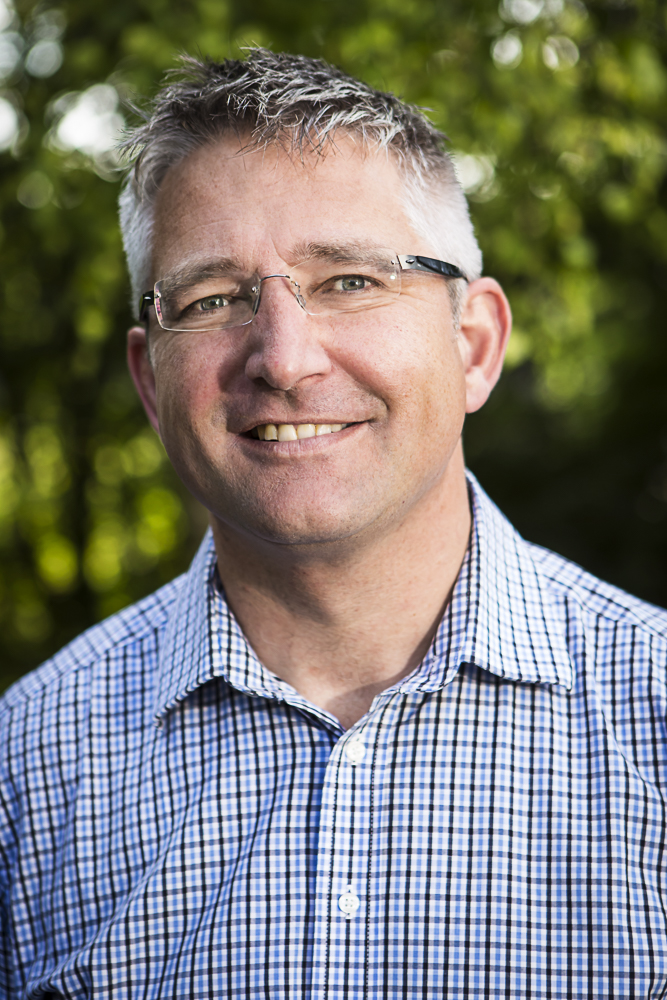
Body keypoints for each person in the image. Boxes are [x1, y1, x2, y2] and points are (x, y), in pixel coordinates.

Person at [1, 47, 666, 999]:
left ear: (472, 344)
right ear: (152, 384)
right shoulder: (25, 773)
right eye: (215, 298)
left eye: (350, 280)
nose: (283, 356)